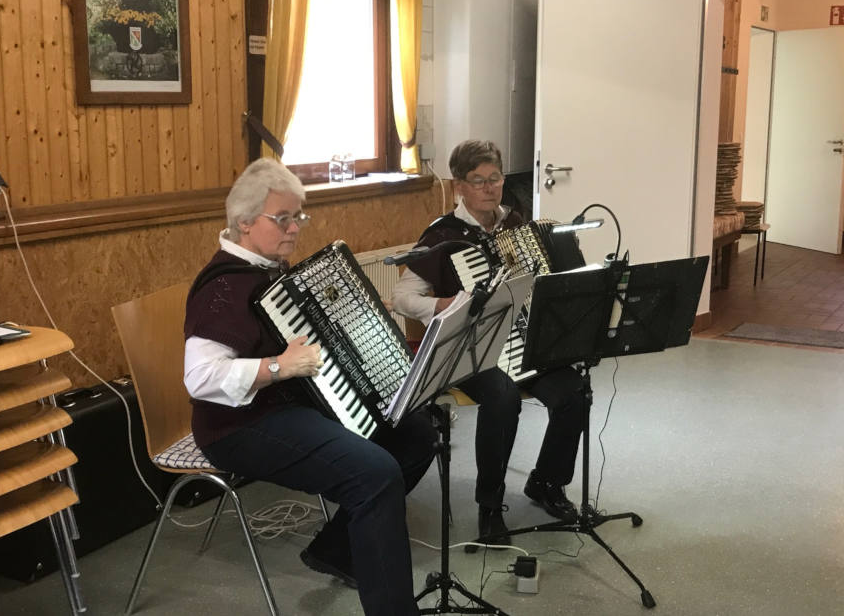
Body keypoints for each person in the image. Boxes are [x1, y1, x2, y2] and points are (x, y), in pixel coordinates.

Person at [183, 158, 436, 616]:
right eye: (283, 218)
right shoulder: (221, 290)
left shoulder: (267, 269)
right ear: (243, 222)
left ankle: (339, 551)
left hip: (287, 407)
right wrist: (278, 368)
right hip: (236, 426)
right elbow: (201, 378)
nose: (295, 228)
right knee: (374, 475)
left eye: (299, 216)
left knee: (417, 434)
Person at [392, 139, 588, 544]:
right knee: (503, 397)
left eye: (494, 178)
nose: (488, 187)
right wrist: (449, 303)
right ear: (459, 186)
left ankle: (547, 482)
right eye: (477, 181)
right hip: (471, 350)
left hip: (524, 343)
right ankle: (489, 503)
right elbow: (402, 299)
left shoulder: (518, 226)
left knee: (573, 392)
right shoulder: (442, 236)